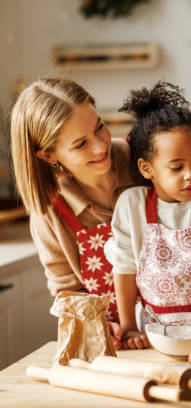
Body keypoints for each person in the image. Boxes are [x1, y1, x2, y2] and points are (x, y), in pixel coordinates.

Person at [104, 82, 191, 349]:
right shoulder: (131, 206)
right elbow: (124, 269)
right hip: (151, 333)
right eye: (177, 167)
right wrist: (129, 330)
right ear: (147, 169)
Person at [11, 78, 134, 349]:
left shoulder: (144, 161)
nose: (101, 146)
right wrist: (96, 321)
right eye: (80, 144)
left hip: (179, 331)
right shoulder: (50, 211)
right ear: (48, 156)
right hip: (116, 349)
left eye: (99, 126)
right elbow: (66, 291)